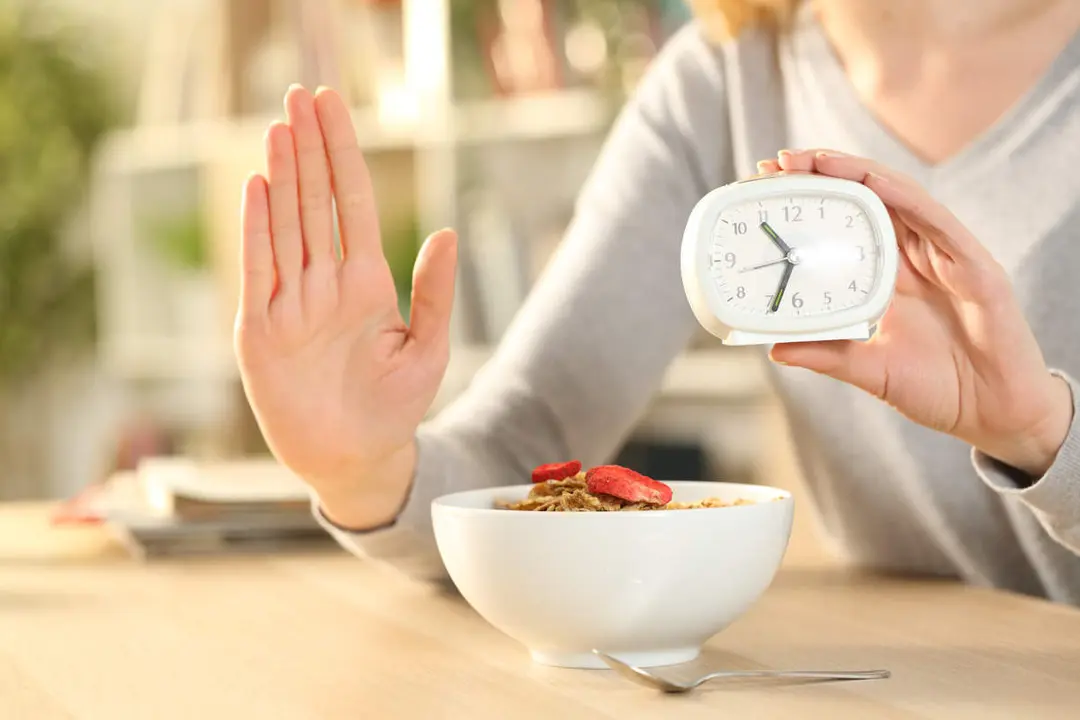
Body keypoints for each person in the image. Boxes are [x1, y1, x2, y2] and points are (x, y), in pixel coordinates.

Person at [233, 0, 1080, 603]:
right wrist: (367, 469)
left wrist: (1042, 432)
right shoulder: (720, 80)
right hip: (894, 684)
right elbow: (527, 449)